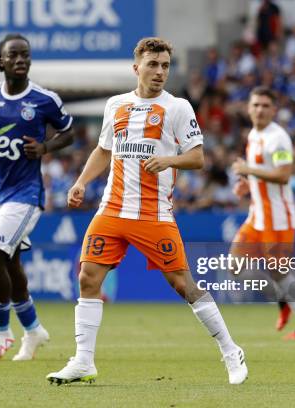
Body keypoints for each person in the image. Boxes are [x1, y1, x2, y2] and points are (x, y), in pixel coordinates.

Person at [46, 37, 248, 385]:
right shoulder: (115, 105)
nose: (159, 72)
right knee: (87, 278)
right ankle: (83, 361)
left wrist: (169, 159)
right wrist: (80, 182)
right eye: (153, 64)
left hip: (153, 214)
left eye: (165, 65)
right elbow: (103, 150)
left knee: (182, 283)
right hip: (111, 209)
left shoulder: (178, 107)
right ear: (136, 66)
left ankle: (231, 350)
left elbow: (197, 157)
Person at [0, 34, 75, 361]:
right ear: (1, 60)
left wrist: (44, 147)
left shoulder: (44, 100)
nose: (20, 60)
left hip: (26, 195)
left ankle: (2, 334)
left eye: (25, 55)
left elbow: (68, 132)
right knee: (10, 264)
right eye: (13, 55)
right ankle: (33, 331)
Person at [230, 86, 295, 339]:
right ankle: (283, 298)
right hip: (256, 215)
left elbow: (283, 174)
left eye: (265, 105)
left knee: (280, 271)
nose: (259, 109)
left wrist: (249, 169)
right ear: (248, 108)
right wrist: (248, 184)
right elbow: (264, 172)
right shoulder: (253, 135)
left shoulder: (278, 138)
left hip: (278, 218)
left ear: (274, 110)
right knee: (235, 266)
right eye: (256, 104)